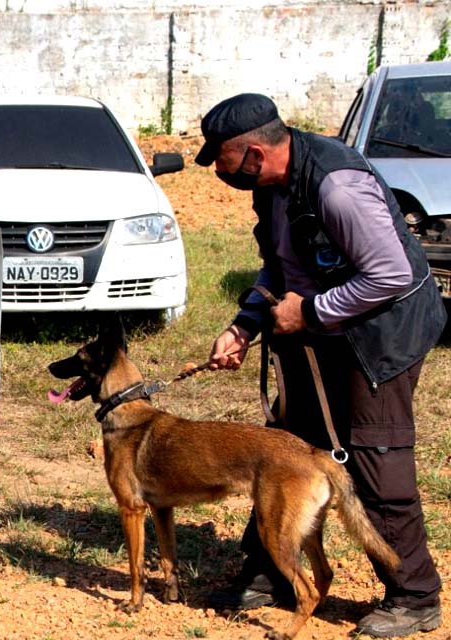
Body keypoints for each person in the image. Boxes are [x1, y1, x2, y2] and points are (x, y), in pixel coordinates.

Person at [196, 93, 447, 638]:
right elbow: (279, 267)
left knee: (375, 460)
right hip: (319, 332)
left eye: (222, 160)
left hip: (382, 336)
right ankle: (272, 572)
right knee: (286, 449)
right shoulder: (273, 188)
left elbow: (392, 276)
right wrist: (245, 325)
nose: (217, 171)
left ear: (256, 155)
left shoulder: (337, 186)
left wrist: (310, 311)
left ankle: (414, 596)